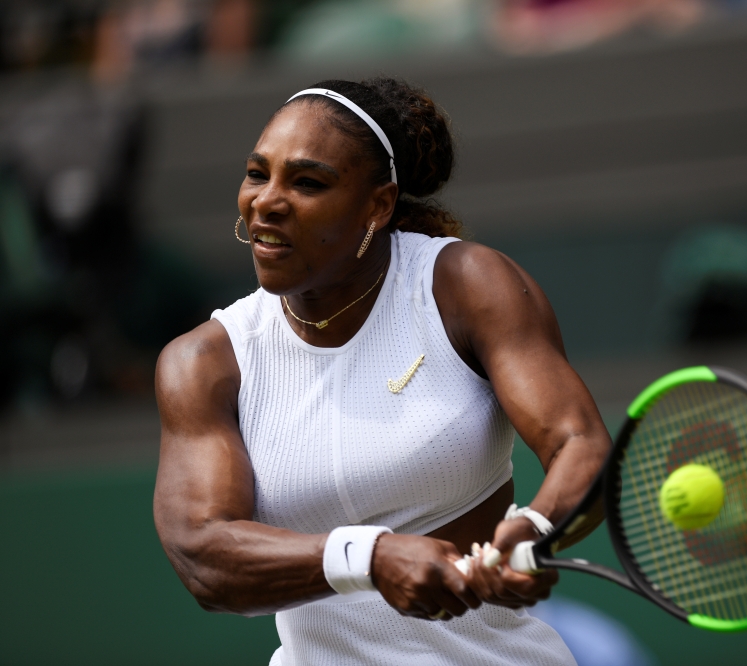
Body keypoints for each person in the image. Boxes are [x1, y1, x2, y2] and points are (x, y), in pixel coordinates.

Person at [153, 77, 611, 666]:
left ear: (379, 204)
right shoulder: (204, 362)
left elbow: (581, 444)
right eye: (257, 173)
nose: (266, 199)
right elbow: (203, 555)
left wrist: (536, 529)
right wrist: (369, 557)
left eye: (308, 182)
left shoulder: (468, 287)